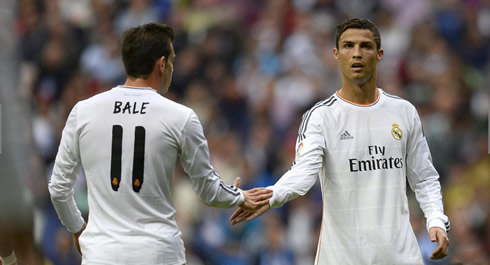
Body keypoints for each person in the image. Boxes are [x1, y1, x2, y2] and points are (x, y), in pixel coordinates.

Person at [48, 23, 272, 265]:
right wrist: (238, 196)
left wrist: (78, 228)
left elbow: (58, 189)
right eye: (173, 60)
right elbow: (208, 191)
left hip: (102, 254)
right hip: (159, 253)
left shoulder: (83, 112)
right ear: (162, 64)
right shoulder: (180, 117)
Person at [231, 18, 450, 264]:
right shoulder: (322, 117)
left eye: (365, 46)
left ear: (379, 55)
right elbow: (303, 174)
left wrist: (435, 219)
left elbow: (424, 177)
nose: (356, 53)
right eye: (348, 46)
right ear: (336, 54)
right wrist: (270, 195)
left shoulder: (404, 112)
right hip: (343, 257)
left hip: (399, 256)